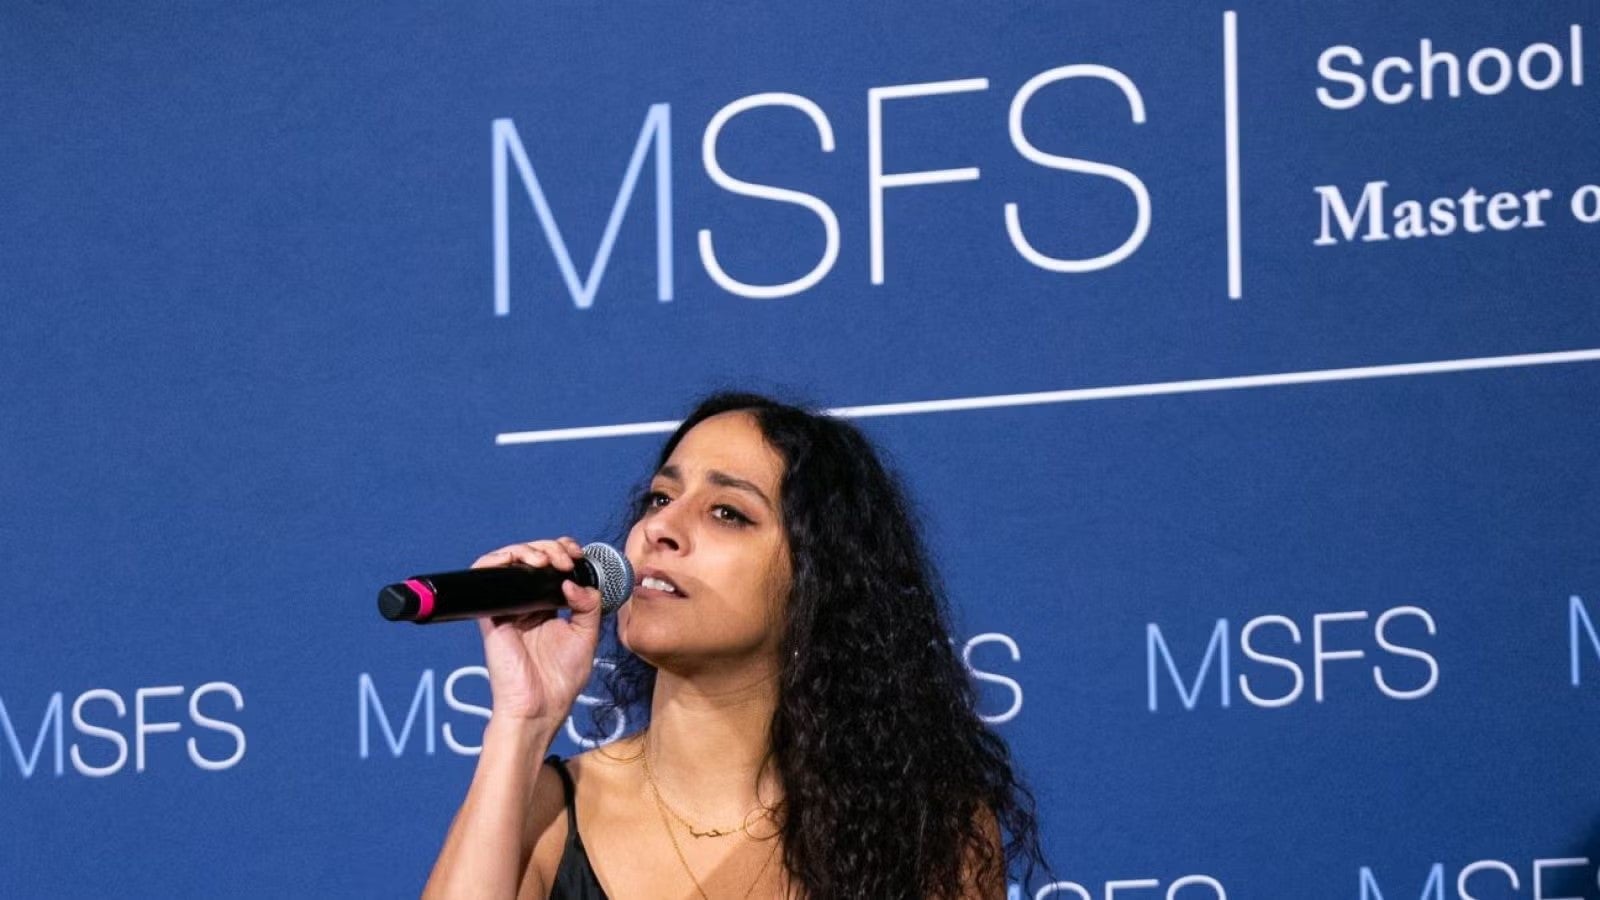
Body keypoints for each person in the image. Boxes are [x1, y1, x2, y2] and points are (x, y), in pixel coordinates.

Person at [423, 392, 1044, 899]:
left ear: (817, 582)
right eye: (661, 498)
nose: (660, 527)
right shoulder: (545, 816)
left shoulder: (927, 831)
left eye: (727, 513)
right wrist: (523, 722)